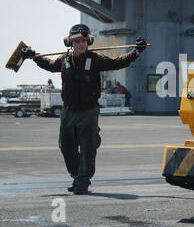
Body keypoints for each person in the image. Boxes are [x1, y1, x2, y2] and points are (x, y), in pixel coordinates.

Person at [20, 24, 148, 195]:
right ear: (70, 43)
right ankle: (76, 176)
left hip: (88, 112)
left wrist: (136, 52)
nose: (80, 44)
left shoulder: (95, 59)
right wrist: (34, 56)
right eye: (77, 41)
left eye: (83, 41)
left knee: (88, 146)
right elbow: (50, 65)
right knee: (66, 146)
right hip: (68, 111)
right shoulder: (64, 60)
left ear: (89, 42)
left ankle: (83, 180)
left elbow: (117, 63)